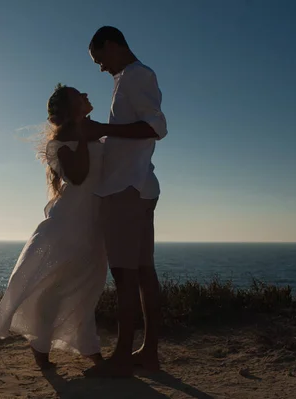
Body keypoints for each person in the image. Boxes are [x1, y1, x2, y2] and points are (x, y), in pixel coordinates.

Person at [0, 84, 107, 370]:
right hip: (69, 224)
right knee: (54, 287)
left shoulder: (89, 132)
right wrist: (83, 132)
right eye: (80, 95)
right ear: (70, 108)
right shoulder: (62, 141)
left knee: (87, 288)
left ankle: (73, 348)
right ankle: (50, 349)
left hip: (94, 223)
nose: (87, 96)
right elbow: (78, 176)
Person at [83, 26, 168, 378]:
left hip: (126, 191)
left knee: (125, 275)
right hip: (138, 187)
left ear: (113, 45)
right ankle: (147, 353)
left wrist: (103, 128)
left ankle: (122, 356)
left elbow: (156, 127)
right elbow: (134, 133)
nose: (100, 67)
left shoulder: (137, 75)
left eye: (99, 58)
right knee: (144, 272)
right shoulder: (127, 78)